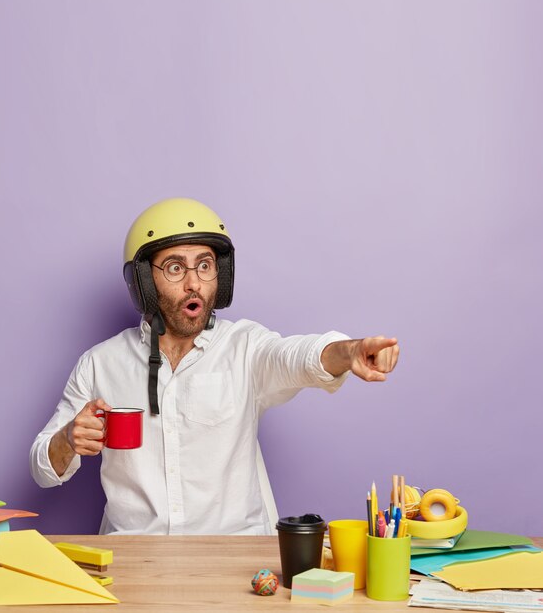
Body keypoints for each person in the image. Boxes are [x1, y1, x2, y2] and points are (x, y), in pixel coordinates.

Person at [30, 198, 399, 535]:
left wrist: (348, 352)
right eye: (175, 268)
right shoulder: (99, 364)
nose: (194, 283)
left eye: (205, 266)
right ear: (143, 281)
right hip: (133, 557)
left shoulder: (246, 348)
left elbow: (295, 357)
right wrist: (68, 440)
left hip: (235, 557)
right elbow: (42, 468)